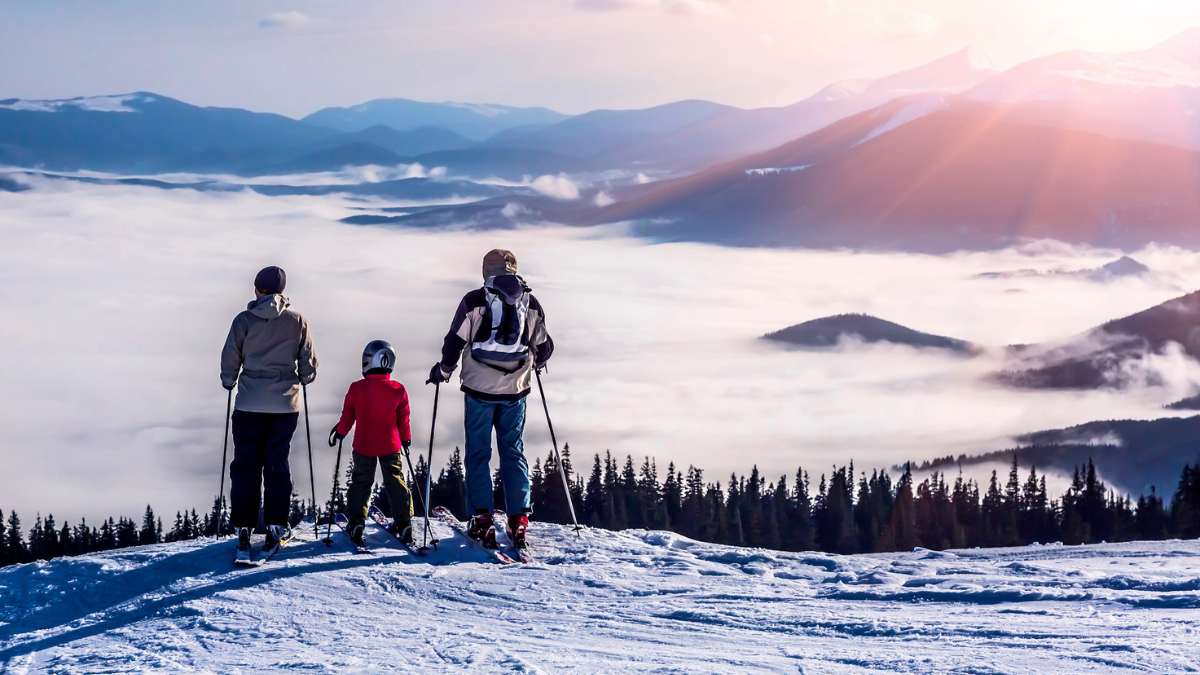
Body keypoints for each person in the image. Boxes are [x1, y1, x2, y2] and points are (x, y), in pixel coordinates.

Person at [427, 249, 553, 549]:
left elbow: (454, 342)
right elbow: (544, 346)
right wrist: (534, 361)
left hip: (479, 389)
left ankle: (481, 519)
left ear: (486, 271)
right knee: (513, 450)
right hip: (516, 389)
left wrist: (443, 370)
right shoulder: (530, 301)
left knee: (478, 452)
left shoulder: (475, 301)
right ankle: (519, 518)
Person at [220, 266, 318, 557]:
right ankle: (276, 524)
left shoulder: (243, 321)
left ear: (258, 290)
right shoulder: (297, 321)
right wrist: (301, 379)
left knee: (246, 465)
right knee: (277, 464)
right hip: (284, 407)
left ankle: (244, 525)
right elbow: (309, 365)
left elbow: (230, 358)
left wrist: (229, 381)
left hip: (249, 403)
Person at [328, 340, 415, 547]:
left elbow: (348, 416)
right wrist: (406, 439)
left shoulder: (357, 388)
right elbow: (404, 419)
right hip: (391, 444)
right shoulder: (398, 389)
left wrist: (340, 433)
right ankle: (404, 523)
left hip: (364, 444)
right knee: (395, 481)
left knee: (361, 483)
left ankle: (357, 522)